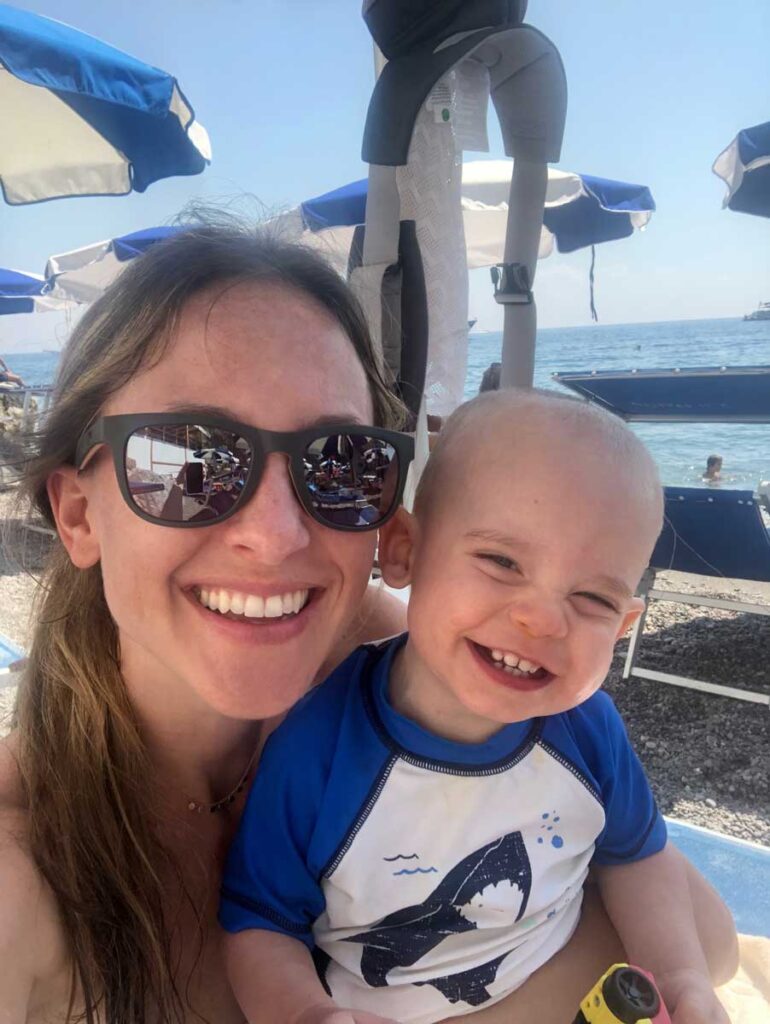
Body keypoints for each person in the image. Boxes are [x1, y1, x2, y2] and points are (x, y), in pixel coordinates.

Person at [0, 226, 735, 1024]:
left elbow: (711, 942)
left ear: (390, 530)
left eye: (338, 462)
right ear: (77, 515)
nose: (277, 534)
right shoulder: (21, 878)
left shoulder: (404, 662)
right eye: (190, 460)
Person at [221, 390, 737, 1024]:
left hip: (570, 972)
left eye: (593, 600)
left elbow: (638, 857)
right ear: (404, 550)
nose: (543, 619)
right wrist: (306, 1013)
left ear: (625, 626)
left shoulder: (589, 729)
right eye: (501, 561)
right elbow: (262, 924)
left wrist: (681, 977)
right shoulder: (317, 753)